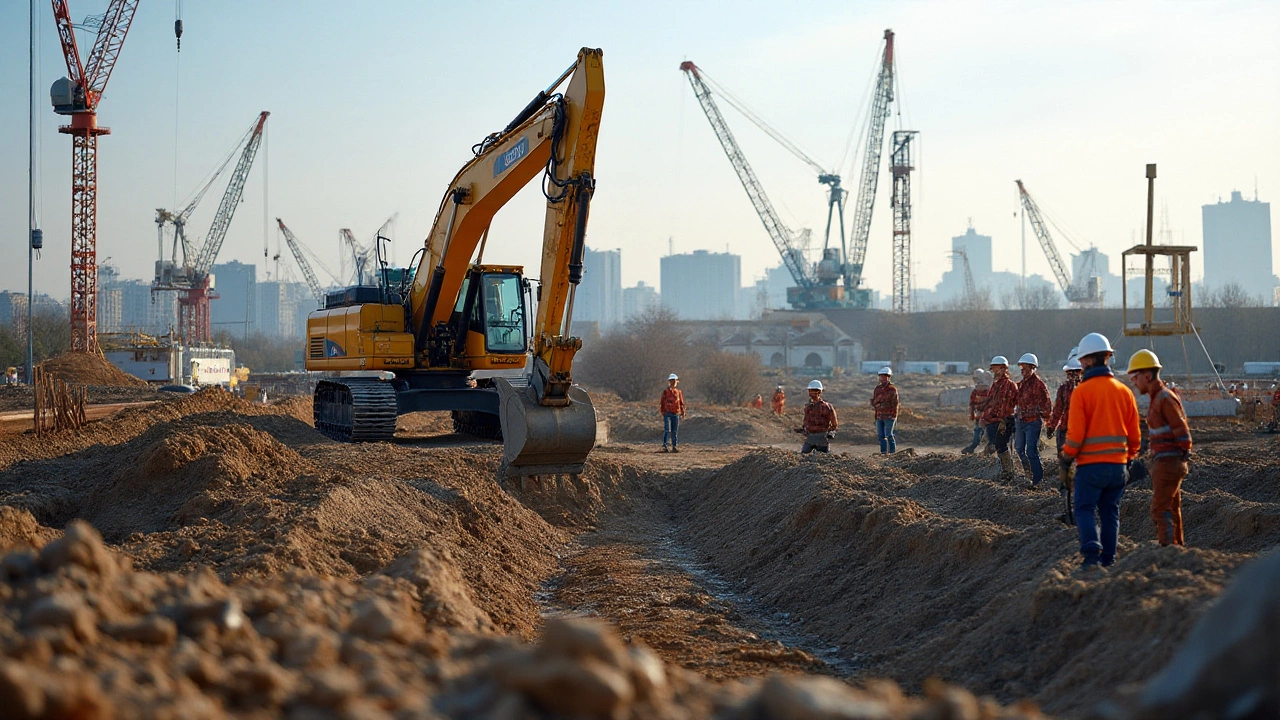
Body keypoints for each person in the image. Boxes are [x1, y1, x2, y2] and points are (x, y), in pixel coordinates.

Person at [1061, 333, 1141, 571]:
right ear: (1107, 357)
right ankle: (1109, 560)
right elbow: (1135, 437)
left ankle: (1091, 554)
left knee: (1084, 508)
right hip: (1118, 467)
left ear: (1085, 361)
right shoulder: (1124, 391)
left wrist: (1065, 458)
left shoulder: (1082, 392)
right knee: (1110, 512)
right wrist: (1127, 461)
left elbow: (1075, 438)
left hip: (1091, 467)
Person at [1127, 349, 1192, 547]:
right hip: (1166, 461)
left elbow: (1181, 428)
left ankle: (1168, 548)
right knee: (1172, 508)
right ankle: (1177, 547)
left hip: (1168, 462)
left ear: (1148, 375)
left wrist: (1181, 453)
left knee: (1159, 509)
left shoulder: (1164, 398)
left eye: (1136, 377)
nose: (1134, 382)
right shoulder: (1158, 399)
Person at [1046, 358, 1083, 524]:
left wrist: (1052, 426)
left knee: (1069, 470)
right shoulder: (1078, 388)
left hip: (1073, 433)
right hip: (1072, 432)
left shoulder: (1080, 389)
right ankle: (1071, 510)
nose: (1072, 375)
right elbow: (1058, 410)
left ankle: (1072, 511)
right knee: (1070, 470)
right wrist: (1052, 426)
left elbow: (1058, 411)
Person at [1013, 353, 1053, 488]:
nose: (1022, 370)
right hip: (1020, 421)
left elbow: (1047, 405)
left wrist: (1049, 423)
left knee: (1031, 450)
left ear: (1032, 367)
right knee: (1019, 449)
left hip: (1033, 423)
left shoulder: (1039, 385)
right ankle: (1028, 473)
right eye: (1021, 367)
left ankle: (1038, 479)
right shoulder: (1022, 384)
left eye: (1024, 367)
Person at [982, 356, 1020, 482]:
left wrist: (1004, 419)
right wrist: (985, 417)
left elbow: (1010, 404)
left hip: (1004, 420)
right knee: (997, 446)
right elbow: (989, 403)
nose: (994, 371)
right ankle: (1005, 470)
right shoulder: (995, 385)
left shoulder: (1010, 385)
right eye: (993, 369)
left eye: (996, 368)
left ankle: (1008, 471)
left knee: (1001, 445)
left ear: (1004, 369)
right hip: (992, 421)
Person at [795, 379, 838, 454]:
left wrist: (831, 432)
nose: (811, 393)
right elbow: (806, 421)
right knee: (803, 457)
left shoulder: (827, 407)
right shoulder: (808, 407)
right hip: (811, 438)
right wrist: (803, 429)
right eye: (810, 391)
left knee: (823, 459)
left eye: (813, 391)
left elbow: (834, 425)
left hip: (821, 438)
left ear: (819, 392)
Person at [962, 370, 991, 454]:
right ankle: (972, 448)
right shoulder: (975, 392)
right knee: (978, 433)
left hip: (989, 417)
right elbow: (972, 404)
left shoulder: (990, 391)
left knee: (990, 435)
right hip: (979, 416)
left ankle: (989, 450)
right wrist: (972, 415)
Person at [871, 367, 899, 454]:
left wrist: (893, 415)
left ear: (888, 377)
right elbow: (874, 402)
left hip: (889, 416)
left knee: (889, 435)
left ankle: (892, 453)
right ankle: (883, 453)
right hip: (879, 416)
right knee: (881, 436)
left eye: (885, 377)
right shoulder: (877, 389)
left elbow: (895, 404)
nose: (883, 378)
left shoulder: (892, 389)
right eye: (881, 377)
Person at [659, 373, 686, 453]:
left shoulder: (678, 392)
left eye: (674, 381)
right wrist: (663, 412)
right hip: (667, 413)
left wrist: (683, 411)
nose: (673, 382)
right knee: (667, 430)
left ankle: (674, 446)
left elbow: (681, 403)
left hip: (675, 413)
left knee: (674, 431)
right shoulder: (666, 392)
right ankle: (665, 446)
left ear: (676, 381)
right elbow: (662, 402)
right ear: (669, 381)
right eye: (671, 381)